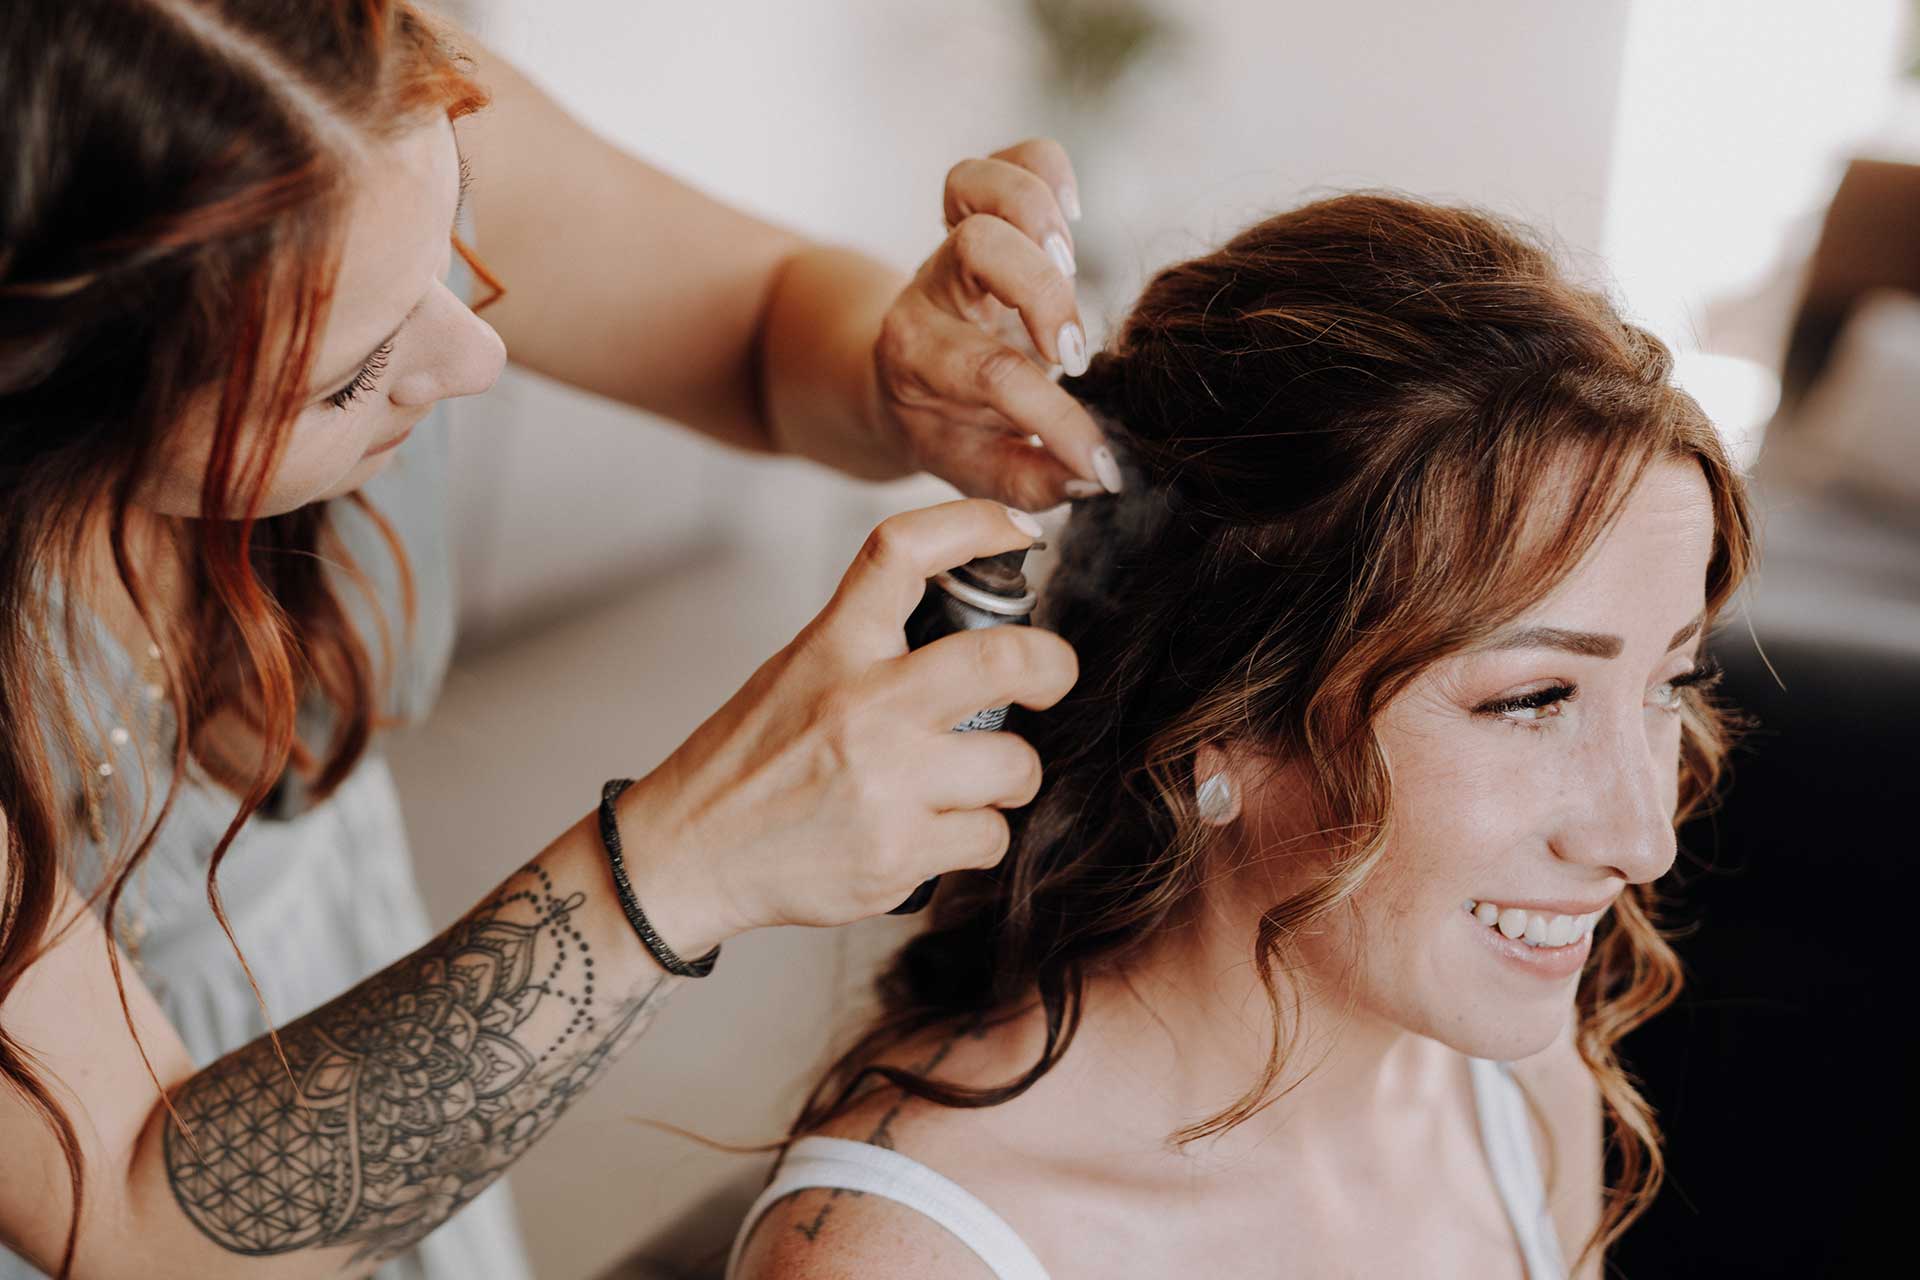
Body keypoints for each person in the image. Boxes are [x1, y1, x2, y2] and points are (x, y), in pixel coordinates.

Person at [0, 3, 1108, 1277]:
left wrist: (894, 365)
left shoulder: (322, 90)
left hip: (381, 1056)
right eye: (350, 375)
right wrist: (688, 857)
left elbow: (755, 322)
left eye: (454, 228)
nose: (479, 353)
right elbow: (141, 1220)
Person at [729, 193, 1758, 1280]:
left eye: (1666, 684)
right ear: (1214, 724)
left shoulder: (1516, 1081)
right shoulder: (910, 1255)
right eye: (1534, 697)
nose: (1645, 841)